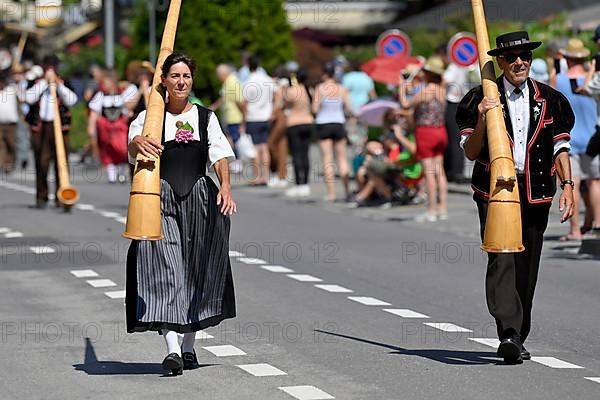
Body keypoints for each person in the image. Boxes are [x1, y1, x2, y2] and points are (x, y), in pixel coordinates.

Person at [457, 31, 575, 364]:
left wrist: (568, 185)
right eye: (511, 58)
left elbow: (560, 147)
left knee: (527, 265)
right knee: (502, 258)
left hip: (536, 190)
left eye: (525, 56)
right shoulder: (478, 98)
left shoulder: (550, 99)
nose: (519, 63)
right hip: (495, 190)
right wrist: (483, 117)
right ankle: (507, 333)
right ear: (500, 62)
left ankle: (519, 335)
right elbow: (470, 151)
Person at [125, 53, 237, 376]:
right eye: (175, 76)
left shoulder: (206, 117)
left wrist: (225, 187)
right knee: (166, 269)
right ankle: (172, 350)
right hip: (160, 199)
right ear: (164, 81)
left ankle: (189, 347)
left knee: (198, 271)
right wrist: (139, 142)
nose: (181, 82)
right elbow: (133, 147)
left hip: (200, 199)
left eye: (186, 76)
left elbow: (219, 155)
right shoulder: (150, 117)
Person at [552, 39, 599, 241]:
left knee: (574, 185)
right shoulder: (595, 79)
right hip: (593, 138)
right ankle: (597, 223)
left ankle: (575, 230)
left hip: (568, 139)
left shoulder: (557, 79)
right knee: (596, 183)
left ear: (567, 58)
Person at [398, 56, 448, 222]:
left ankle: (432, 209)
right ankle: (443, 208)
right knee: (439, 170)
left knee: (429, 172)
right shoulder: (442, 90)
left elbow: (406, 105)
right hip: (440, 130)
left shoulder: (426, 91)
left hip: (425, 132)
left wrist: (402, 88)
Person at [24, 54, 77, 209]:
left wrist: (58, 86)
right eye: (48, 66)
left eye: (53, 66)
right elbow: (28, 98)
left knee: (61, 163)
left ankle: (62, 197)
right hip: (40, 128)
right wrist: (43, 84)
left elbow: (72, 100)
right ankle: (41, 197)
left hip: (60, 128)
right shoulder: (35, 83)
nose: (51, 69)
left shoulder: (65, 82)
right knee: (41, 162)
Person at [313, 62, 354, 202]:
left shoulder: (320, 88)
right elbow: (349, 107)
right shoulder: (342, 89)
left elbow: (314, 108)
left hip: (323, 123)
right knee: (342, 158)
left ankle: (331, 193)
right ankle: (348, 191)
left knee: (327, 159)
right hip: (338, 122)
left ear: (324, 73)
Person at [88, 73, 133, 183]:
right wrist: (91, 128)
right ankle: (111, 174)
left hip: (120, 127)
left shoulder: (122, 95)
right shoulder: (100, 96)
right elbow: (94, 113)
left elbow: (128, 111)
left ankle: (122, 172)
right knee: (107, 150)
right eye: (105, 83)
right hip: (106, 128)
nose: (107, 86)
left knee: (122, 149)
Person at [241, 55, 274, 185]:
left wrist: (243, 121)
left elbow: (244, 103)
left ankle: (256, 176)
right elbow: (276, 93)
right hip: (266, 117)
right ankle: (265, 176)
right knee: (264, 147)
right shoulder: (267, 79)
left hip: (253, 117)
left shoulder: (249, 82)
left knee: (254, 148)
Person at [283, 69, 314, 198]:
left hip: (294, 123)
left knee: (296, 154)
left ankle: (298, 184)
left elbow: (285, 105)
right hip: (307, 121)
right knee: (305, 154)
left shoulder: (291, 91)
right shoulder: (309, 90)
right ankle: (306, 184)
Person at [0, 69, 20, 173]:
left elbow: (22, 97)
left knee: (11, 144)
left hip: (11, 123)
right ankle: (2, 164)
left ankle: (10, 164)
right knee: (1, 145)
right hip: (0, 123)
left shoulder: (11, 90)